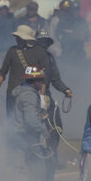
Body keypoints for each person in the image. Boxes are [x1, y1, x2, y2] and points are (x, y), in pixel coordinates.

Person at [10, 65, 53, 181]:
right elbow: (30, 120)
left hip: (19, 135)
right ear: (35, 81)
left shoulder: (23, 93)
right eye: (40, 80)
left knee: (26, 166)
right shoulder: (29, 95)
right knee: (38, 167)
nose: (42, 83)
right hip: (27, 136)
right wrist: (43, 129)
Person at [0, 25, 48, 118]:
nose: (16, 39)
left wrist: (42, 96)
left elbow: (44, 77)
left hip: (32, 95)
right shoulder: (12, 51)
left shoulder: (40, 52)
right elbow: (2, 72)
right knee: (12, 124)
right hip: (13, 94)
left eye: (19, 37)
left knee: (31, 122)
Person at [35, 30, 73, 171]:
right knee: (35, 129)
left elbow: (55, 79)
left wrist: (65, 90)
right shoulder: (30, 58)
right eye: (40, 43)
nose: (43, 46)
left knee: (56, 127)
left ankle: (52, 157)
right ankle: (34, 159)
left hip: (47, 98)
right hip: (32, 97)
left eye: (45, 43)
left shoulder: (50, 58)